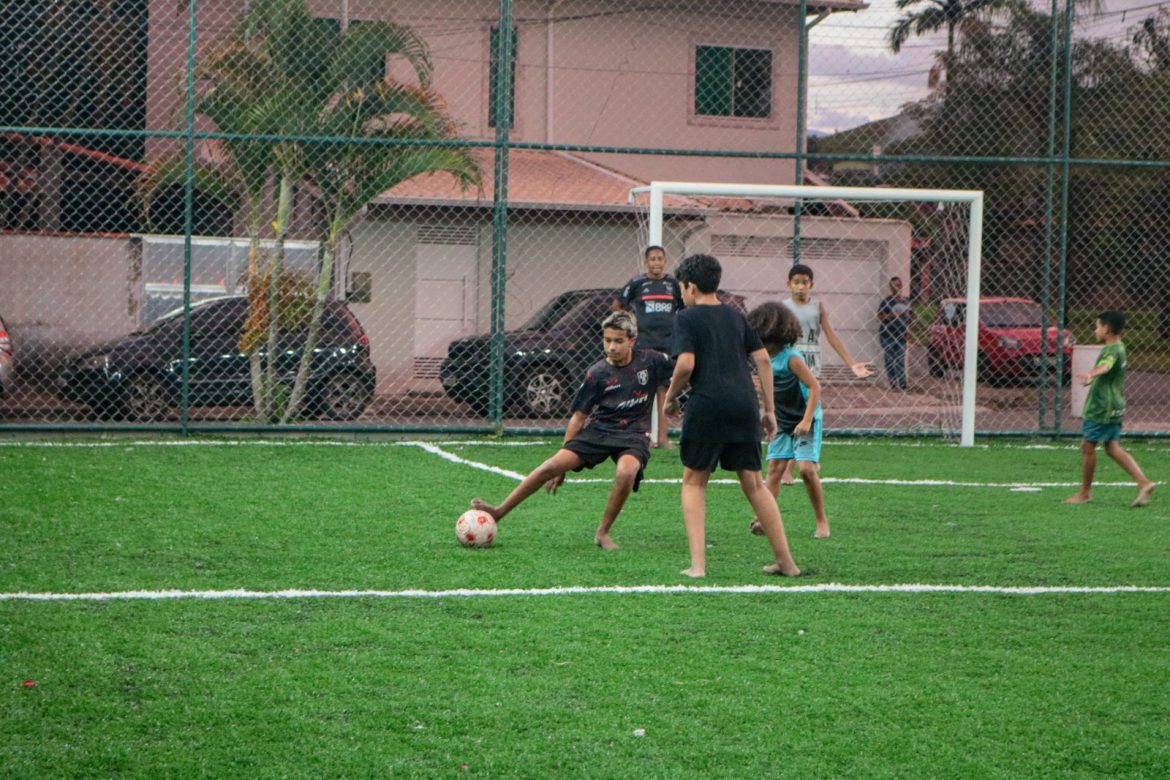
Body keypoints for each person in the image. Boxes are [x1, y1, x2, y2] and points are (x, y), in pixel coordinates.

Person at [471, 311, 672, 550]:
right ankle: (499, 511)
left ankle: (602, 533)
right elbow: (578, 418)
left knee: (626, 472)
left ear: (632, 340)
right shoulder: (597, 373)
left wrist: (674, 398)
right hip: (599, 431)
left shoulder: (651, 360)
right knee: (550, 467)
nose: (611, 347)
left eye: (618, 341)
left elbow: (682, 369)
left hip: (634, 435)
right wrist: (563, 465)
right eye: (607, 340)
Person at [662, 254, 802, 578]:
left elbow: (685, 364)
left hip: (707, 405)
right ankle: (787, 562)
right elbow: (763, 360)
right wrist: (769, 410)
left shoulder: (686, 318)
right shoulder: (737, 316)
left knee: (694, 482)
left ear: (690, 286)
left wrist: (669, 398)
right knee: (754, 484)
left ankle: (698, 566)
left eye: (681, 288)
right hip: (744, 405)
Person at [778, 263, 873, 484]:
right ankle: (793, 463)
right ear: (788, 284)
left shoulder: (817, 307)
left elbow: (831, 336)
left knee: (809, 411)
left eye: (805, 282)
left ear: (811, 285)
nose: (800, 287)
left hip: (811, 364)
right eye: (796, 282)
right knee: (792, 411)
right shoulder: (783, 308)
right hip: (791, 363)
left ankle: (799, 462)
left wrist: (852, 364)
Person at [746, 302, 831, 539]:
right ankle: (765, 519)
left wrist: (806, 420)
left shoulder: (791, 357)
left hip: (805, 419)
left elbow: (814, 387)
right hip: (783, 421)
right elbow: (768, 390)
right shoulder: (761, 358)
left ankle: (821, 520)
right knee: (774, 469)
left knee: (806, 470)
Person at [1063, 311, 1156, 508]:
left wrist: (1091, 374)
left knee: (1088, 446)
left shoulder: (1111, 350)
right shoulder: (1120, 347)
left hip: (1102, 407)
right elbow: (1109, 371)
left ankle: (1085, 493)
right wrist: (1094, 378)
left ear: (1106, 329)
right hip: (1115, 404)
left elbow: (1105, 366)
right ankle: (1144, 483)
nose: (1095, 330)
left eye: (1097, 326)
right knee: (1112, 447)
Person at [614, 244, 684, 448]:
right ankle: (641, 436)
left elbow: (684, 307)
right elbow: (618, 305)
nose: (656, 263)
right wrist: (626, 326)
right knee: (641, 389)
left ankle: (662, 438)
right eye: (652, 259)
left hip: (667, 344)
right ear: (646, 262)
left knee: (664, 389)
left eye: (660, 259)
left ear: (665, 261)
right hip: (644, 343)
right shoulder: (637, 283)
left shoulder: (673, 284)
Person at [877, 276, 913, 391]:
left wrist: (909, 331)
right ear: (890, 287)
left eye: (898, 285)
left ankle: (902, 384)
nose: (896, 287)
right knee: (889, 359)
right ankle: (892, 382)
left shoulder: (907, 301)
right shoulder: (887, 301)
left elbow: (911, 318)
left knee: (900, 359)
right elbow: (880, 316)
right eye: (893, 285)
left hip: (901, 335)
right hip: (888, 335)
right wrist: (891, 315)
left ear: (901, 286)